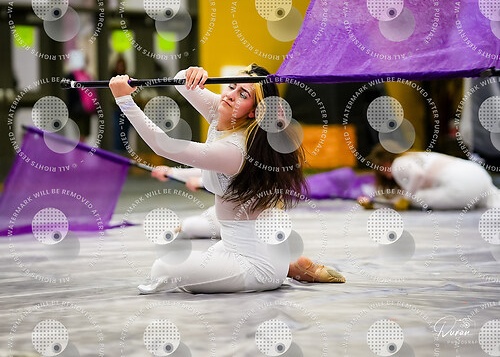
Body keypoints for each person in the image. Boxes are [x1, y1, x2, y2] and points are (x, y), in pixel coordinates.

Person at [109, 65, 345, 294]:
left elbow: (164, 145)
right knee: (196, 246)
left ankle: (282, 267)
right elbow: (182, 83)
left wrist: (124, 101)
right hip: (234, 245)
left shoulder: (236, 148)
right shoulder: (226, 111)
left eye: (243, 94)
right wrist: (192, 73)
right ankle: (287, 265)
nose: (231, 95)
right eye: (231, 86)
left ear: (254, 112)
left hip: (255, 264)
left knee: (164, 268)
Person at [150, 165, 345, 283]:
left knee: (191, 230)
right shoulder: (258, 140)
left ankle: (283, 265)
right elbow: (211, 164)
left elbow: (219, 166)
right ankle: (283, 263)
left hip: (246, 217)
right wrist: (176, 173)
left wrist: (200, 181)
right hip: (268, 219)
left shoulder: (238, 140)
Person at [360, 143, 500, 210]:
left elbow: (417, 175)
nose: (388, 176)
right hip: (480, 174)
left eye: (383, 169)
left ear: (387, 161)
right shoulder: (419, 155)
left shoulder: (399, 162)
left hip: (460, 186)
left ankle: (381, 204)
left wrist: (406, 199)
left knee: (415, 197)